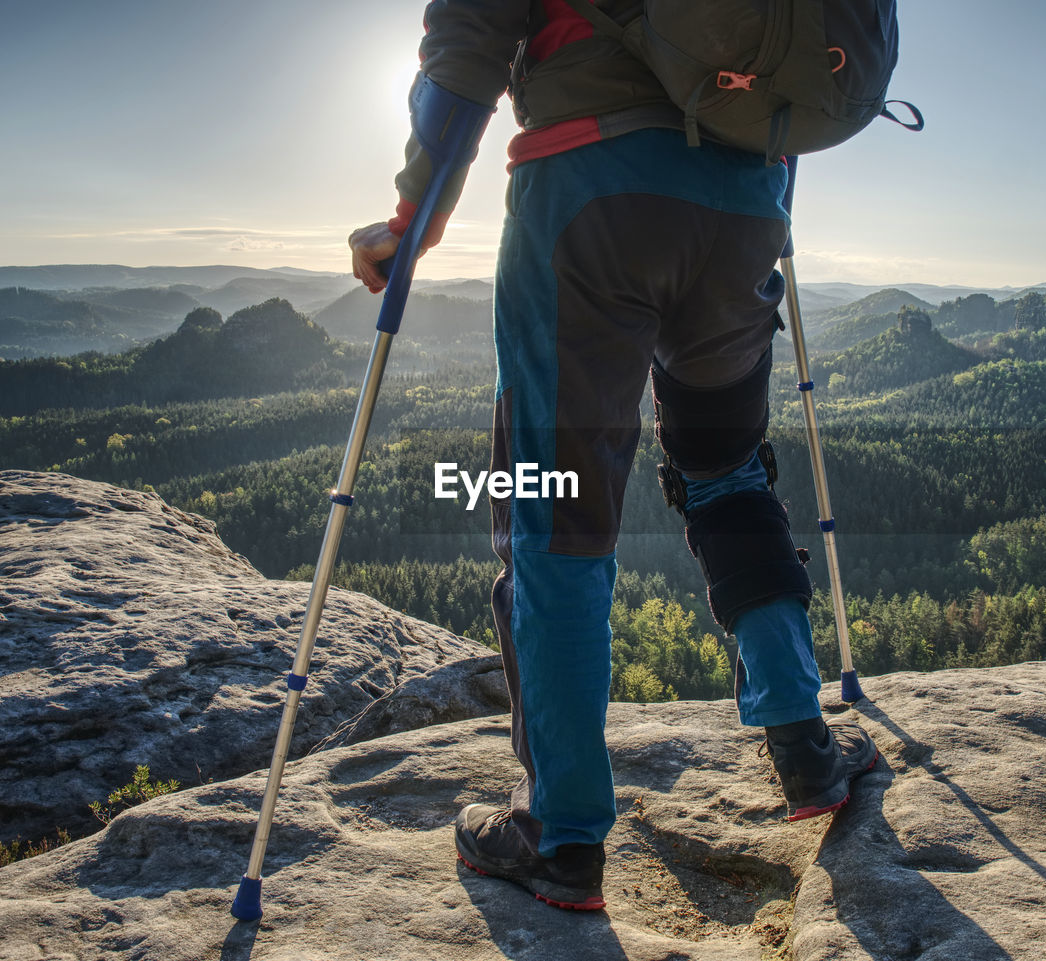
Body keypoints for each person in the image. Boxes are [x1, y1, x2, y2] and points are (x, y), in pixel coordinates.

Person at [349, 0, 876, 912]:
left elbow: (469, 38)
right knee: (727, 469)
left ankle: (561, 835)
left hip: (587, 195)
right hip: (746, 199)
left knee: (551, 504)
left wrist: (415, 213)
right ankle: (807, 752)